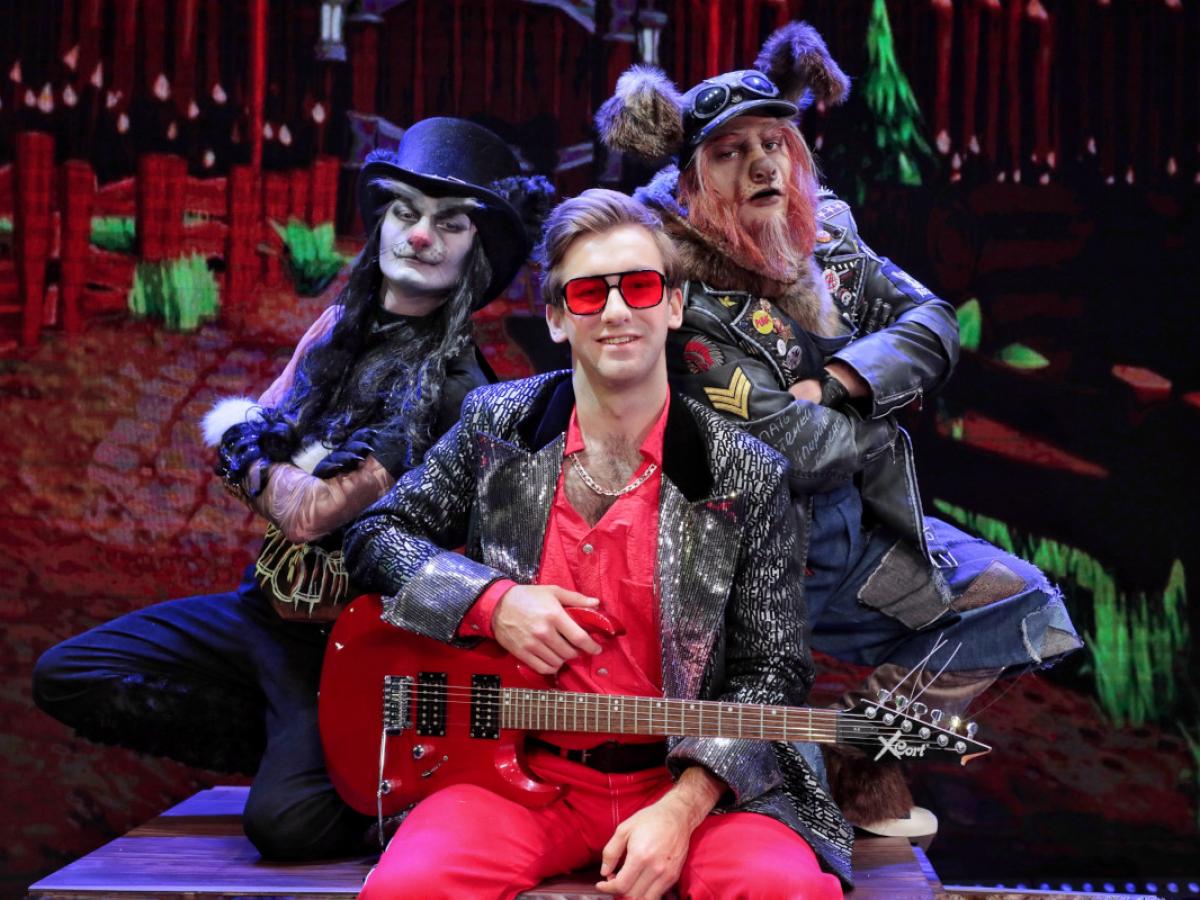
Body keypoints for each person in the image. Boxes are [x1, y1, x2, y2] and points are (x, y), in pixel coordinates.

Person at [596, 22, 1082, 834]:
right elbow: (801, 450)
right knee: (727, 773)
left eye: (774, 144)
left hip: (854, 539)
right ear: (687, 182)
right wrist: (879, 417)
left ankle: (859, 757)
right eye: (730, 153)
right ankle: (768, 797)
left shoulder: (829, 237)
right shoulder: (679, 297)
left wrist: (845, 380)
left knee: (1025, 606)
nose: (763, 166)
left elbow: (934, 322)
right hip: (740, 571)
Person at [31, 117, 552, 861]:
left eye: (450, 223)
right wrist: (263, 455)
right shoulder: (338, 327)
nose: (419, 235)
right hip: (263, 608)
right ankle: (299, 744)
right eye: (404, 212)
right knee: (71, 674)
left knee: (285, 828)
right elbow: (259, 447)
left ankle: (367, 776)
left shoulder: (455, 388)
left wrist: (252, 453)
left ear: (479, 250)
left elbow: (308, 511)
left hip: (350, 646)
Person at [343, 188, 851, 897]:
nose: (616, 312)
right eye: (588, 293)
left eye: (640, 287)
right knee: (408, 889)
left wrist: (683, 808)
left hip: (696, 789)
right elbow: (373, 538)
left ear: (673, 305)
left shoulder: (747, 473)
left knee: (781, 892)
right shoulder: (497, 424)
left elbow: (773, 673)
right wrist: (491, 602)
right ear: (556, 318)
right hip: (515, 778)